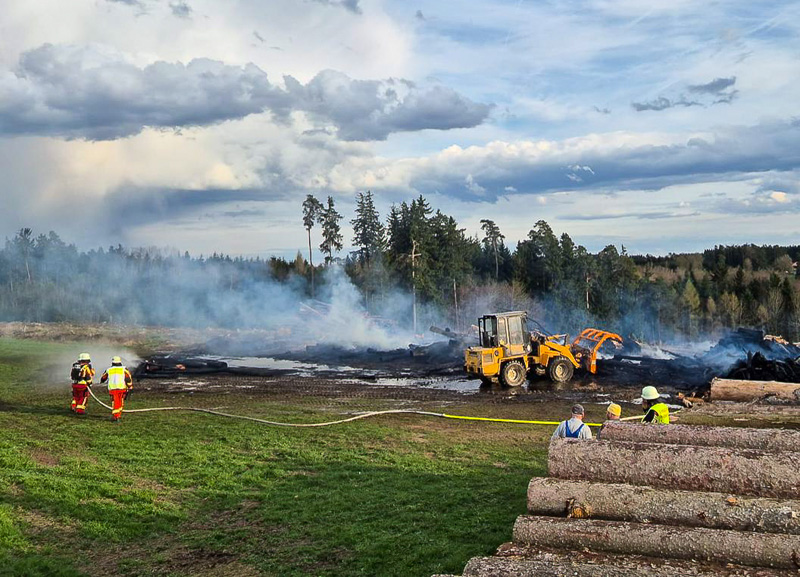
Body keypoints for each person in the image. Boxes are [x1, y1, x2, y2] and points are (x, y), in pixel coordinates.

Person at [100, 356, 133, 423]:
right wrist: (130, 386)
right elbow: (128, 378)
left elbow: (103, 378)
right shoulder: (124, 369)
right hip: (121, 388)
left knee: (115, 402)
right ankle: (116, 416)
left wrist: (102, 381)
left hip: (112, 389)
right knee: (119, 402)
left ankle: (116, 415)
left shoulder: (109, 370)